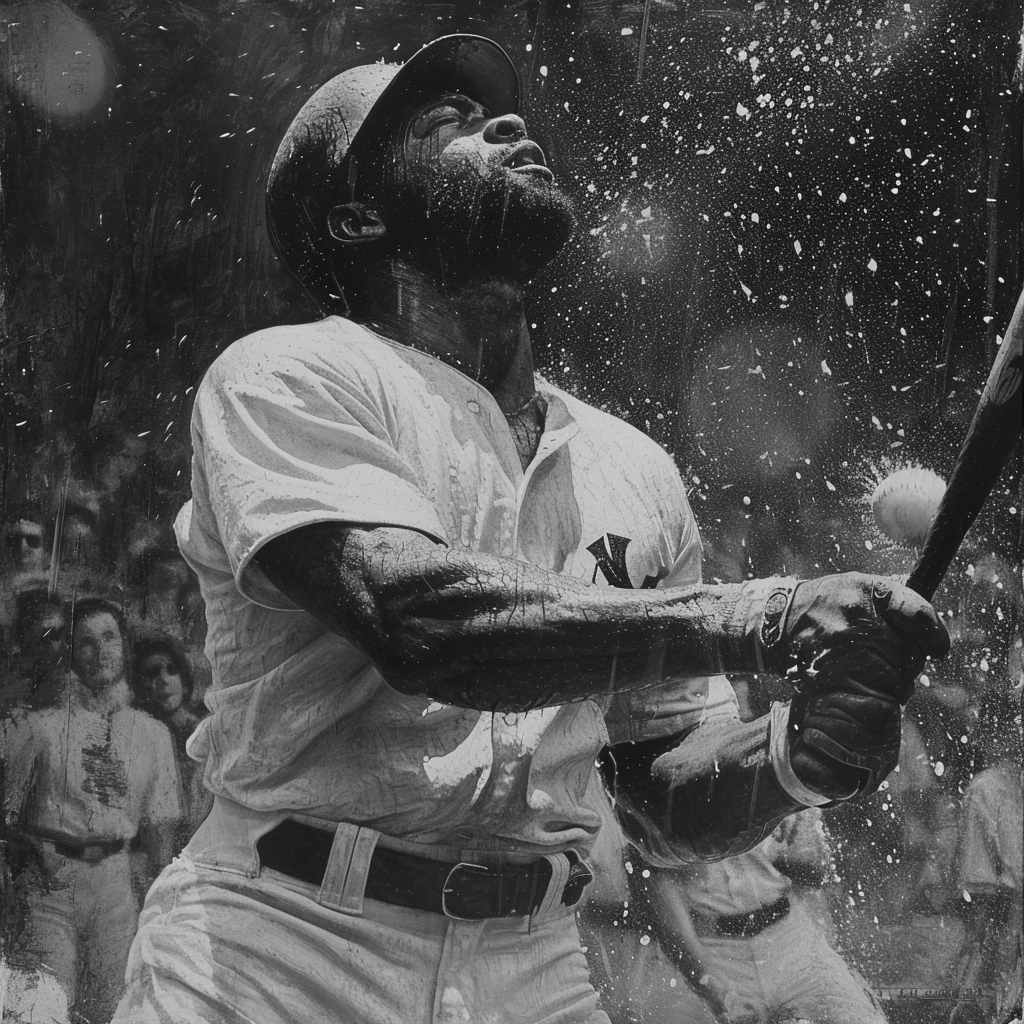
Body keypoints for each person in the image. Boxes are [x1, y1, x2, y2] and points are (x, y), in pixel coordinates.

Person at [113, 34, 948, 1024]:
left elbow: (657, 802)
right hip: (281, 947)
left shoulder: (633, 468)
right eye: (444, 123)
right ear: (358, 213)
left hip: (534, 965)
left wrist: (791, 758)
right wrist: (765, 613)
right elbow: (427, 624)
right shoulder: (289, 374)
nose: (505, 122)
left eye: (495, 110)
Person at [1, 598, 182, 1022]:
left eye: (108, 638)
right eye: (85, 642)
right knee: (42, 1005)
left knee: (112, 1008)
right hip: (50, 887)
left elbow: (160, 832)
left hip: (118, 887)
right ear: (70, 651)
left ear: (124, 645)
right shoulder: (38, 726)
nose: (100, 652)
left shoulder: (152, 734)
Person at [131, 635, 211, 836]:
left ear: (184, 680)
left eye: (172, 670)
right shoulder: (140, 737)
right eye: (152, 673)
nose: (164, 680)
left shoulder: (204, 733)